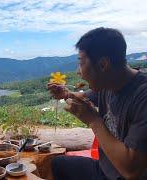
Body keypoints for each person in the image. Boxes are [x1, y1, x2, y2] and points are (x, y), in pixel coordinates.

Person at [48, 27, 147, 180]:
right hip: (104, 169)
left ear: (103, 64)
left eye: (81, 63)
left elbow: (131, 171)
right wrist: (65, 94)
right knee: (57, 164)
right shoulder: (108, 84)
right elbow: (81, 97)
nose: (78, 72)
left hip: (123, 175)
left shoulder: (142, 97)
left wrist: (94, 121)